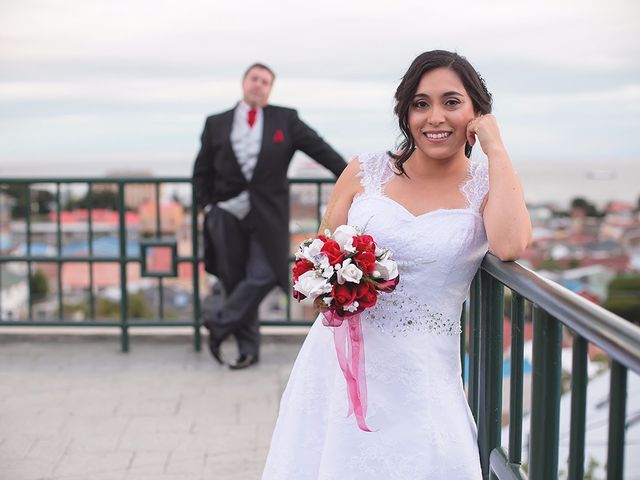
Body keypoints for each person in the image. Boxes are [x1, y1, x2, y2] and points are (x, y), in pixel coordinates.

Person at [261, 50, 532, 478]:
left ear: (477, 112)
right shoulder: (364, 171)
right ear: (405, 113)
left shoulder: (485, 184)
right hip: (338, 361)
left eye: (452, 102)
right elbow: (321, 245)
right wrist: (326, 280)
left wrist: (495, 148)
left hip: (422, 371)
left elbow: (512, 243)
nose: (435, 117)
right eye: (420, 104)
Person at [192, 63, 347, 370]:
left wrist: (351, 178)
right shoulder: (216, 122)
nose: (259, 85)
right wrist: (208, 208)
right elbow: (202, 171)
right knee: (234, 279)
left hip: (268, 215)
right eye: (255, 79)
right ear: (244, 82)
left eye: (265, 82)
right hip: (226, 214)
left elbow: (321, 150)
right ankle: (248, 351)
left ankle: (219, 322)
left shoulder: (285, 119)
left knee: (265, 273)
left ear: (270, 89)